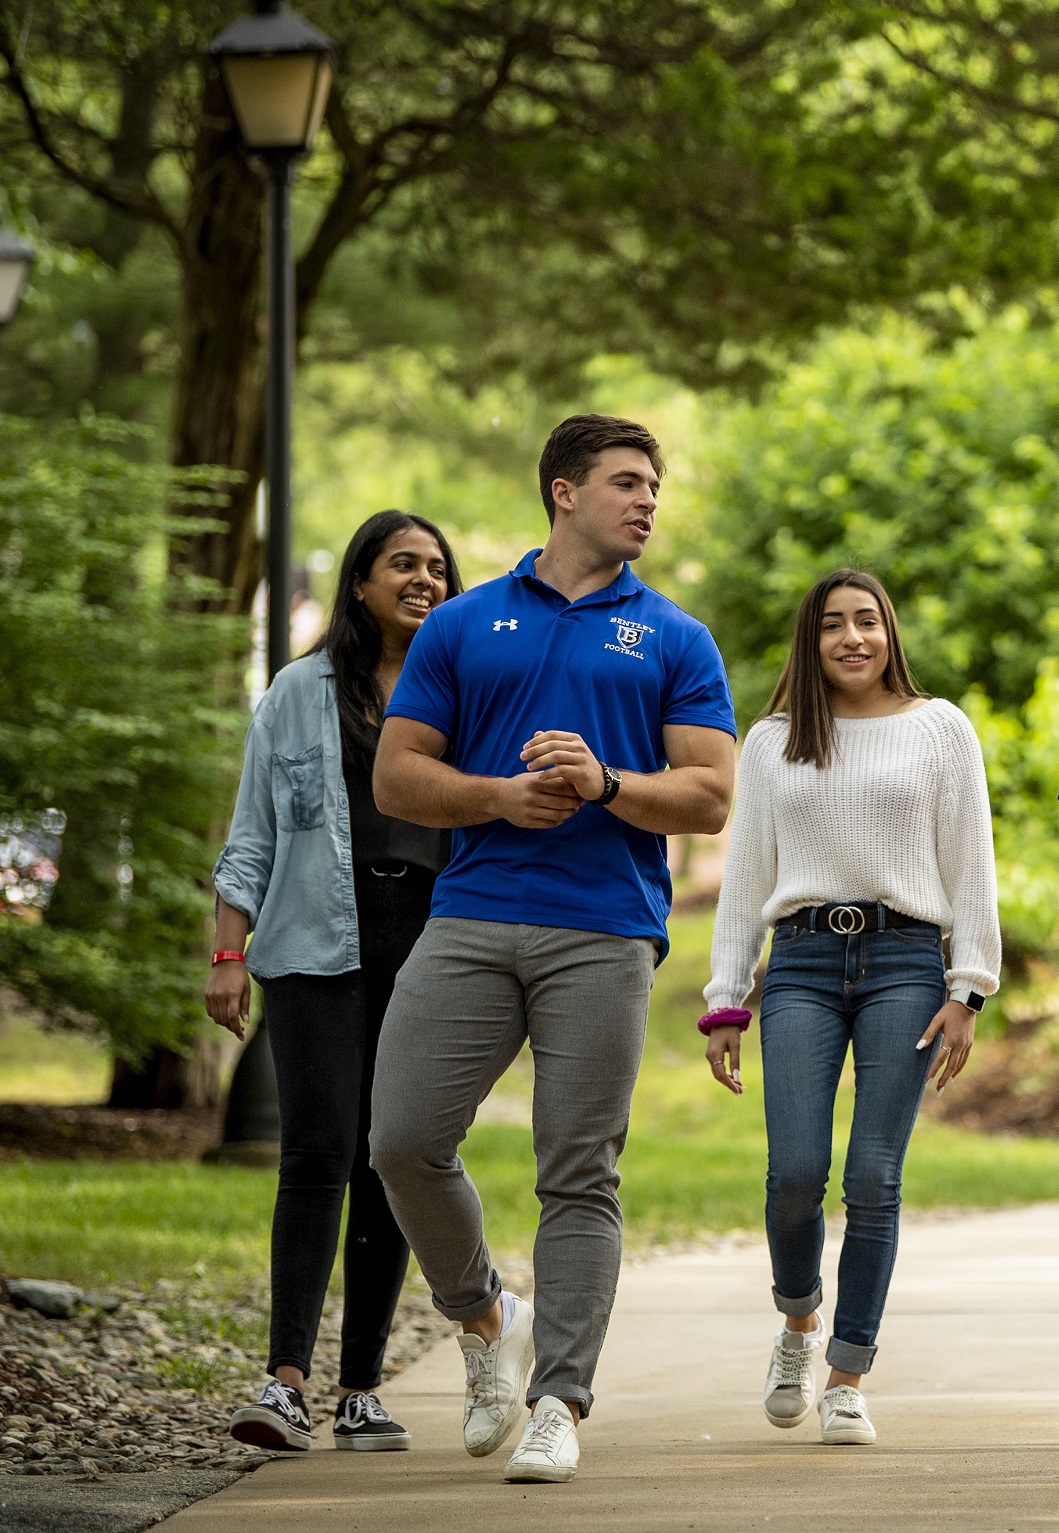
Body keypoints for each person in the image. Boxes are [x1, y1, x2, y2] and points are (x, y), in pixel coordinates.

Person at [367, 414, 738, 1485]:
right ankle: (486, 1317)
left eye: (654, 488)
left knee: (578, 1172)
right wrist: (497, 797)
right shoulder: (465, 623)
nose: (647, 503)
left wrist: (607, 783)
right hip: (473, 912)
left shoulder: (674, 636)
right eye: (627, 483)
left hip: (606, 931)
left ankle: (558, 1398)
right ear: (563, 492)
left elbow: (709, 796)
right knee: (402, 1138)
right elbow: (398, 778)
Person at [700, 569, 1000, 1448]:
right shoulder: (773, 741)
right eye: (833, 624)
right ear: (812, 639)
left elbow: (969, 861)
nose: (852, 637)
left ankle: (847, 1373)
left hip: (906, 959)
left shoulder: (940, 729)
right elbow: (745, 873)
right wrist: (727, 998)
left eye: (867, 620)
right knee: (795, 1171)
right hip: (798, 961)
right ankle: (797, 1323)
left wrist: (968, 986)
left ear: (889, 631)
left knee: (874, 1175)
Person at [209, 510, 465, 1454]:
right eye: (403, 564)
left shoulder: (465, 691)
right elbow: (255, 831)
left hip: (431, 941)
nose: (424, 579)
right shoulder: (297, 691)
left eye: (438, 567)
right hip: (316, 939)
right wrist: (228, 951)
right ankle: (285, 1384)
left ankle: (361, 1389)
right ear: (360, 582)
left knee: (388, 1158)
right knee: (315, 1156)